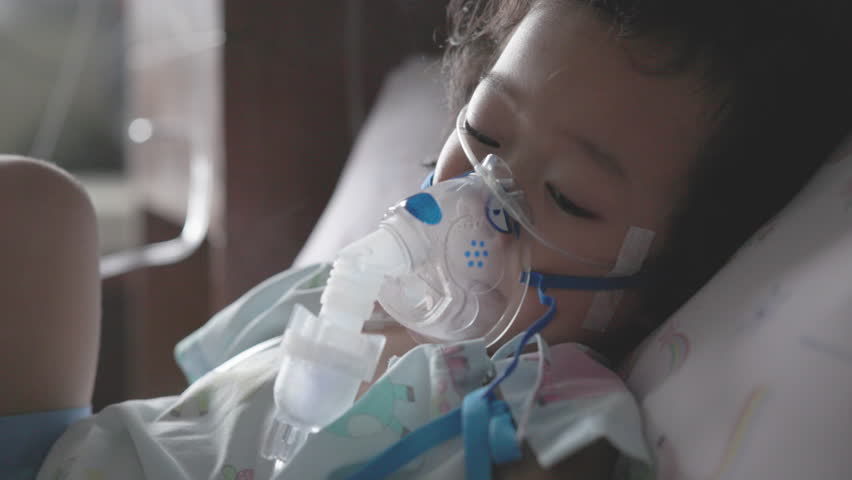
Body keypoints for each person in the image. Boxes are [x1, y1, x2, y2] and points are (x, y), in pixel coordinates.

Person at [3, 0, 852, 478]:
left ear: (673, 274)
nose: (482, 194)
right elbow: (190, 416)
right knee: (32, 206)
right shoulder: (335, 289)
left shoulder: (550, 409)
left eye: (563, 196)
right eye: (484, 128)